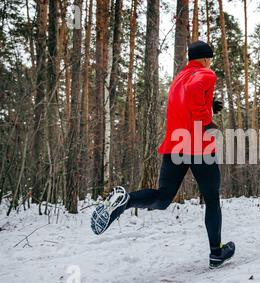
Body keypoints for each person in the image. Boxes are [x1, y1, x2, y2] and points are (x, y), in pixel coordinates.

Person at [90, 41, 235, 269]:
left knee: (163, 197)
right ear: (206, 58)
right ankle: (216, 252)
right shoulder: (206, 74)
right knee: (212, 200)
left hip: (175, 146)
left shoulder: (178, 78)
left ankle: (127, 201)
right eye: (210, 59)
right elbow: (195, 91)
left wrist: (209, 106)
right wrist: (207, 122)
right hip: (198, 147)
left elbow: (186, 99)